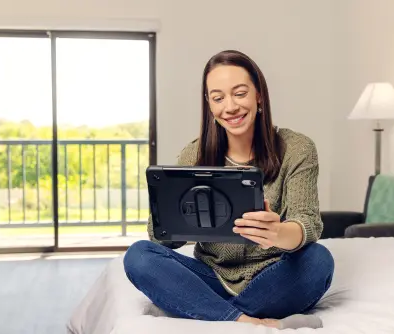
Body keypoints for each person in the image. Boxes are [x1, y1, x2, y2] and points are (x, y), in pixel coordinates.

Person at [123, 50, 334, 330]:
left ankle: (200, 309)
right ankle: (247, 321)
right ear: (209, 104)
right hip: (212, 277)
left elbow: (308, 223)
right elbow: (158, 237)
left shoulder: (297, 148)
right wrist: (177, 218)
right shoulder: (193, 154)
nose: (230, 107)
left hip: (273, 278)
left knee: (319, 261)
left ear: (259, 95)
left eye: (240, 93)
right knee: (138, 256)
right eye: (218, 98)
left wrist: (278, 232)